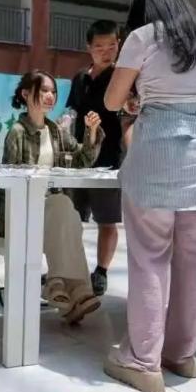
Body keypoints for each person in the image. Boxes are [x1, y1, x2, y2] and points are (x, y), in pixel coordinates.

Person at [102, 0, 196, 392]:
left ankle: (143, 361)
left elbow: (112, 101)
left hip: (158, 157)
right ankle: (181, 354)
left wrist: (143, 97)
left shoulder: (144, 36)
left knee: (150, 258)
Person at [0, 71, 104, 324]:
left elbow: (82, 161)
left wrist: (91, 132)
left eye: (53, 91)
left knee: (66, 212)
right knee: (64, 209)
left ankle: (59, 288)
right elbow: (11, 180)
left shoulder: (56, 131)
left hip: (48, 212)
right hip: (19, 213)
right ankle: (76, 289)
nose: (50, 96)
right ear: (25, 94)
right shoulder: (17, 132)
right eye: (43, 90)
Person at [65, 20, 123, 296]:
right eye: (99, 46)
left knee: (106, 219)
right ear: (89, 48)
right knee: (71, 218)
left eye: (112, 45)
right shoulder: (80, 78)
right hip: (79, 160)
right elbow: (71, 112)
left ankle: (101, 271)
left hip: (109, 161)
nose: (106, 52)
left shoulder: (122, 77)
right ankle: (69, 267)